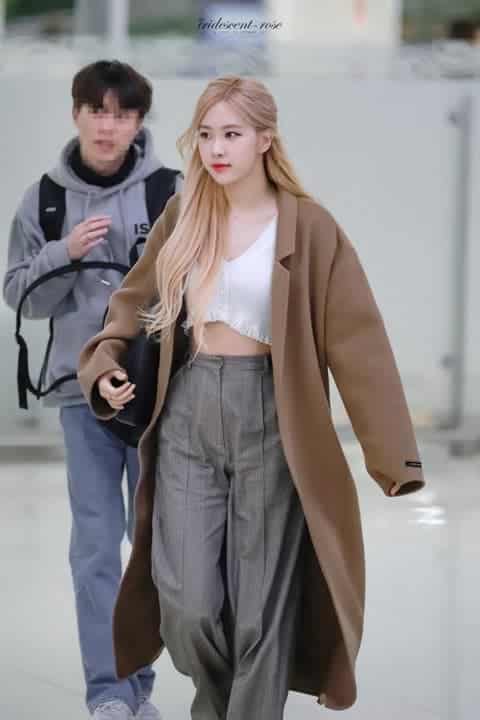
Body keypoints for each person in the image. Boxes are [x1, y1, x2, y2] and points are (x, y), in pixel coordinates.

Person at [77, 75, 426, 719]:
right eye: (206, 134)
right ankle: (221, 705)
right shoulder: (184, 216)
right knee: (185, 603)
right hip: (186, 413)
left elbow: (359, 343)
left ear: (266, 139)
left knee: (260, 612)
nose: (216, 148)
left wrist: (392, 455)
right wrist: (103, 365)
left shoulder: (310, 228)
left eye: (232, 134)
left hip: (273, 417)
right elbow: (132, 302)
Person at [3, 60, 183, 720]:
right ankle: (109, 693)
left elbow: (203, 283)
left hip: (159, 398)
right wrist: (65, 252)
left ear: (139, 122)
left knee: (157, 547)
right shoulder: (44, 199)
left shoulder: (171, 191)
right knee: (95, 549)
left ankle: (139, 684)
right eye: (97, 111)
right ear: (76, 113)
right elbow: (22, 297)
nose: (108, 126)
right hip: (82, 400)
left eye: (123, 113)